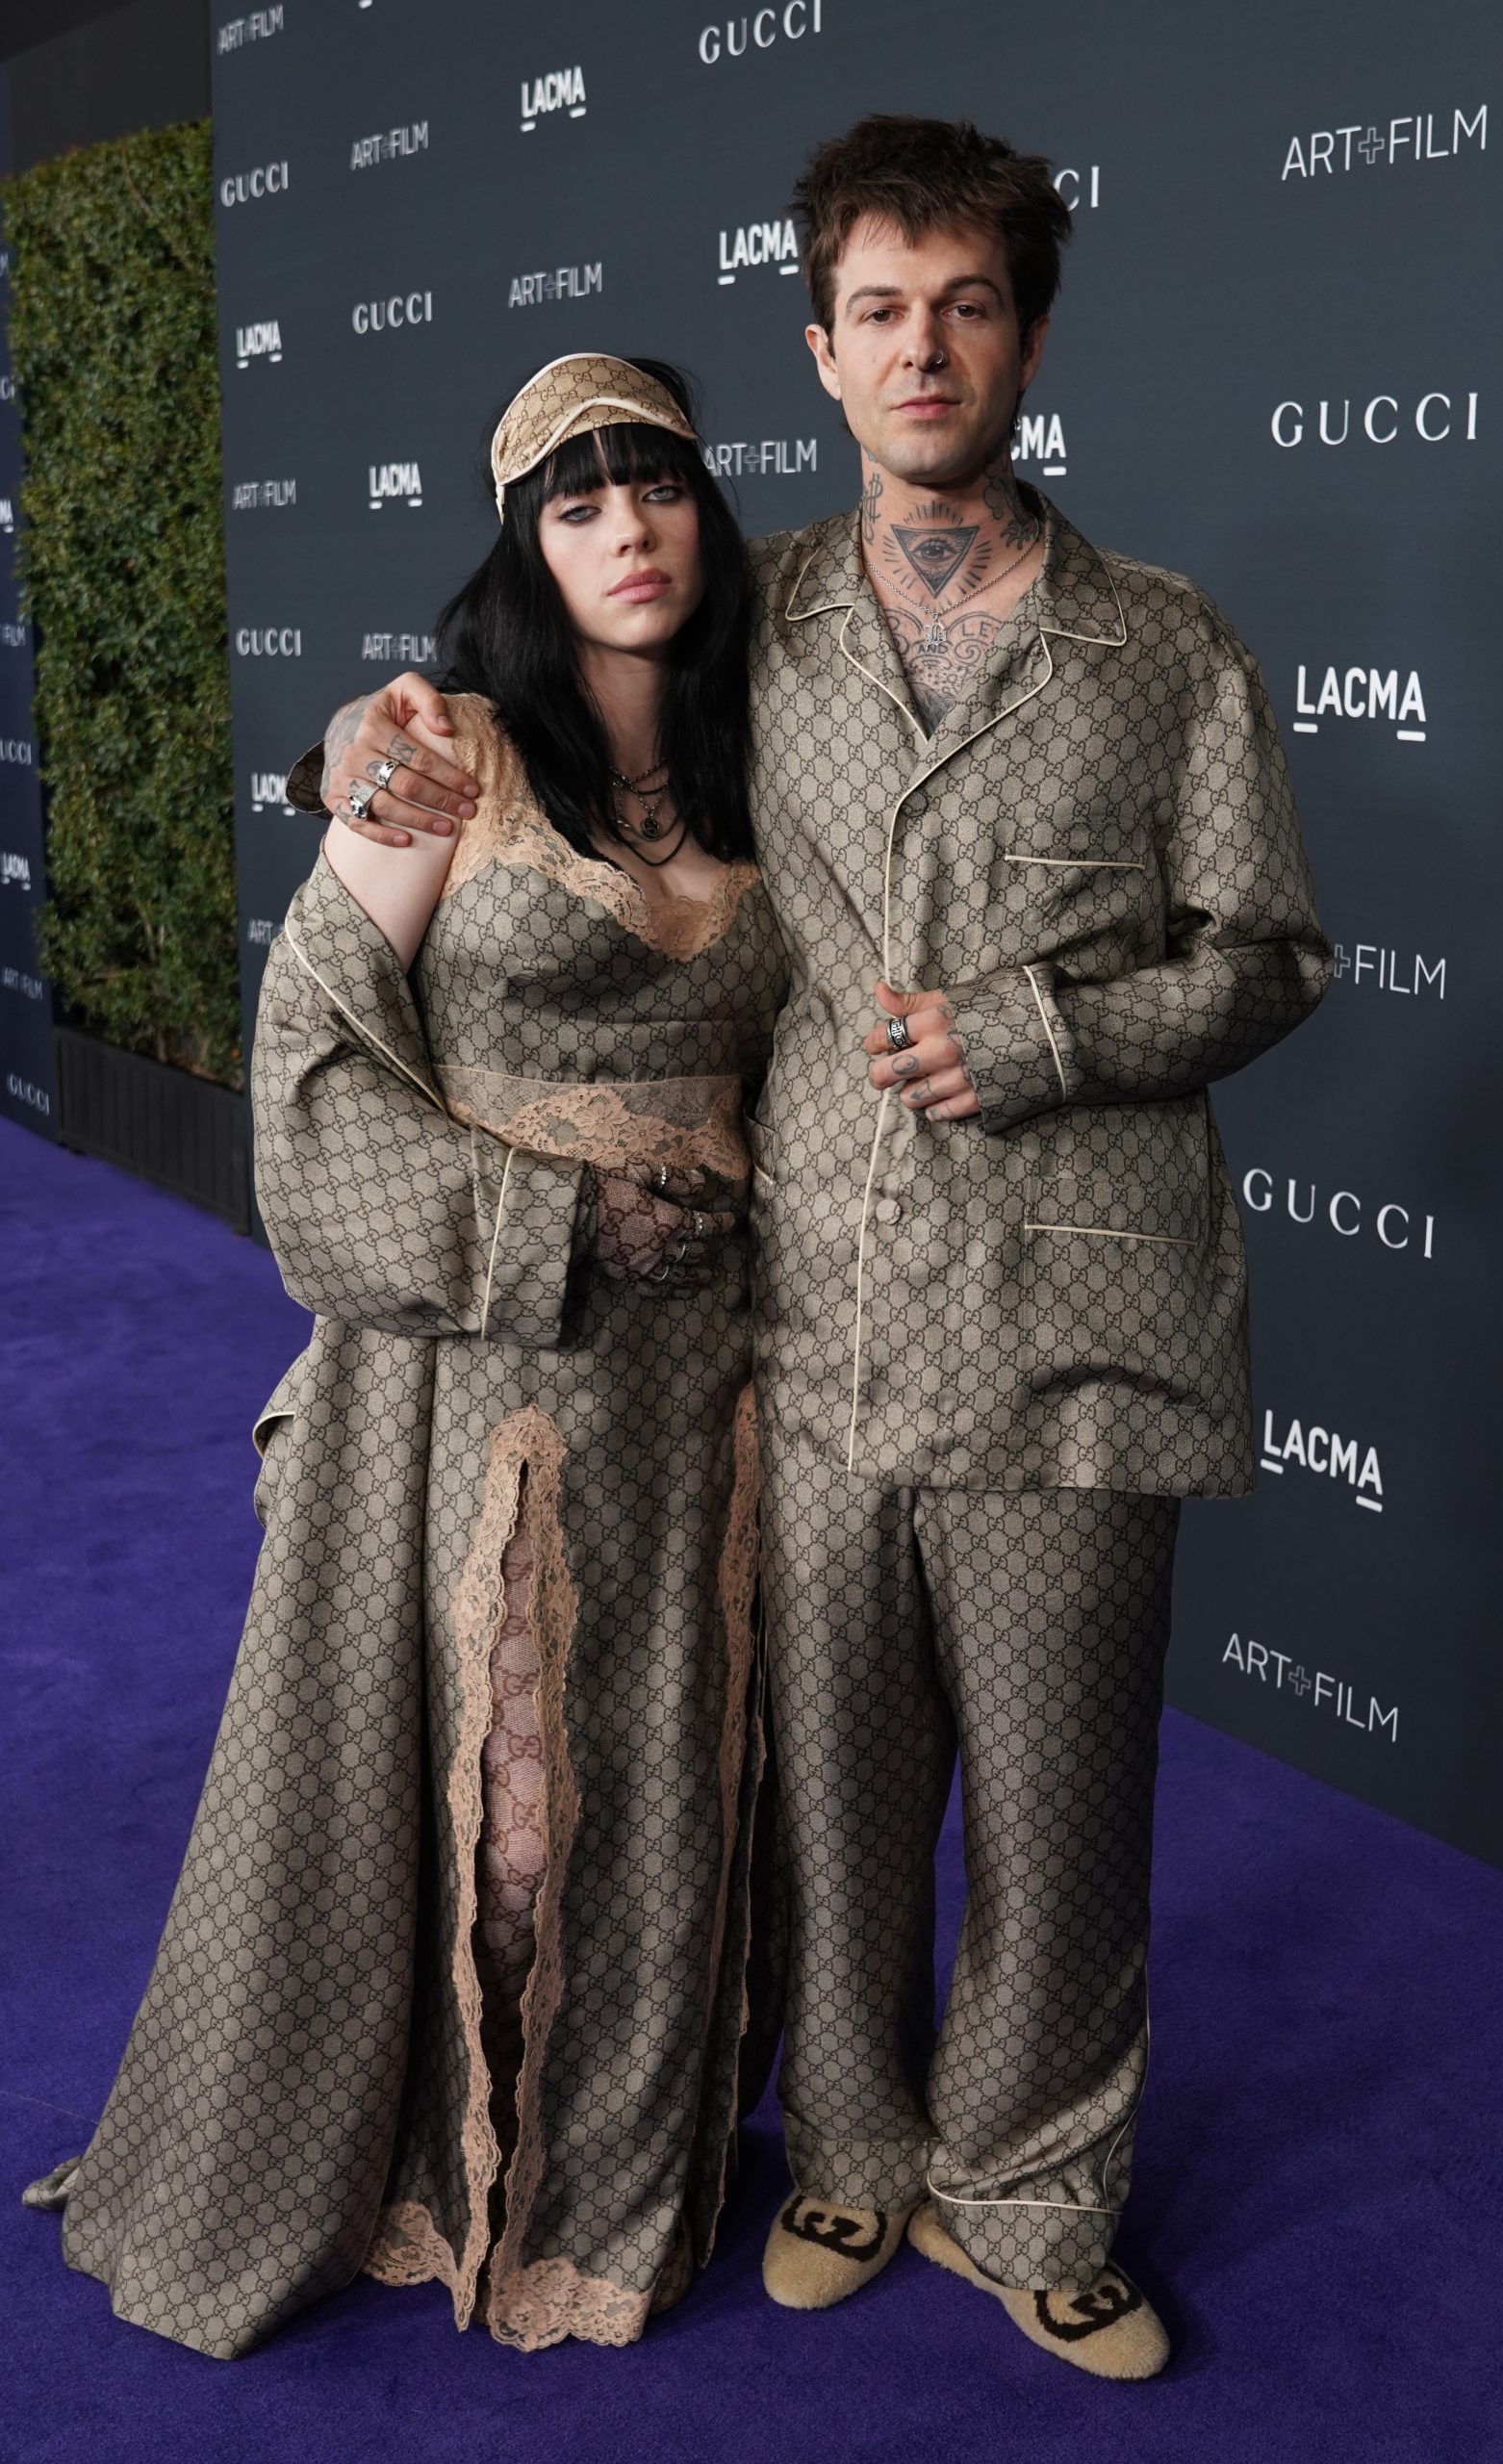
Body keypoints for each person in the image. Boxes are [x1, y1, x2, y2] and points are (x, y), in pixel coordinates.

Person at [298, 115, 1332, 2383]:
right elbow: (550, 686)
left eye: (967, 304)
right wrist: (382, 744)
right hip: (815, 1327)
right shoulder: (749, 607)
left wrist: (1044, 1030)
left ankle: (1036, 2191)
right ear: (822, 348)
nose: (924, 347)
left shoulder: (1165, 647)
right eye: (880, 308)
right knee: (840, 1795)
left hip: (1078, 1324)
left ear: (1029, 337)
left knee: (1060, 1811)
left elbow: (1266, 954)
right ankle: (855, 2153)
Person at [23, 356, 790, 2360]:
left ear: (709, 512)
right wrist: (556, 1223)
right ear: (523, 547)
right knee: (507, 1812)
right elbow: (313, 1069)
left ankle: (608, 2192)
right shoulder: (443, 751)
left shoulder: (764, 743)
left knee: (669, 1785)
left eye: (658, 490)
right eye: (575, 502)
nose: (626, 529)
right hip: (487, 1373)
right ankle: (438, 2165)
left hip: (716, 1381)